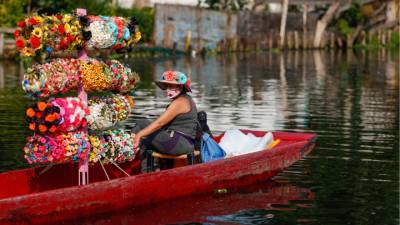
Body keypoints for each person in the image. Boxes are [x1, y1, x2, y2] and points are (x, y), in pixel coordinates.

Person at [131, 70, 198, 170]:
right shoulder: (184, 99)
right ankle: (146, 175)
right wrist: (141, 136)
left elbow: (159, 123)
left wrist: (139, 135)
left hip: (179, 143)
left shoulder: (180, 102)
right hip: (179, 142)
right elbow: (161, 124)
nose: (167, 90)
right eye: (166, 87)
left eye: (171, 87)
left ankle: (127, 147)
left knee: (142, 123)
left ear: (180, 87)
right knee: (144, 141)